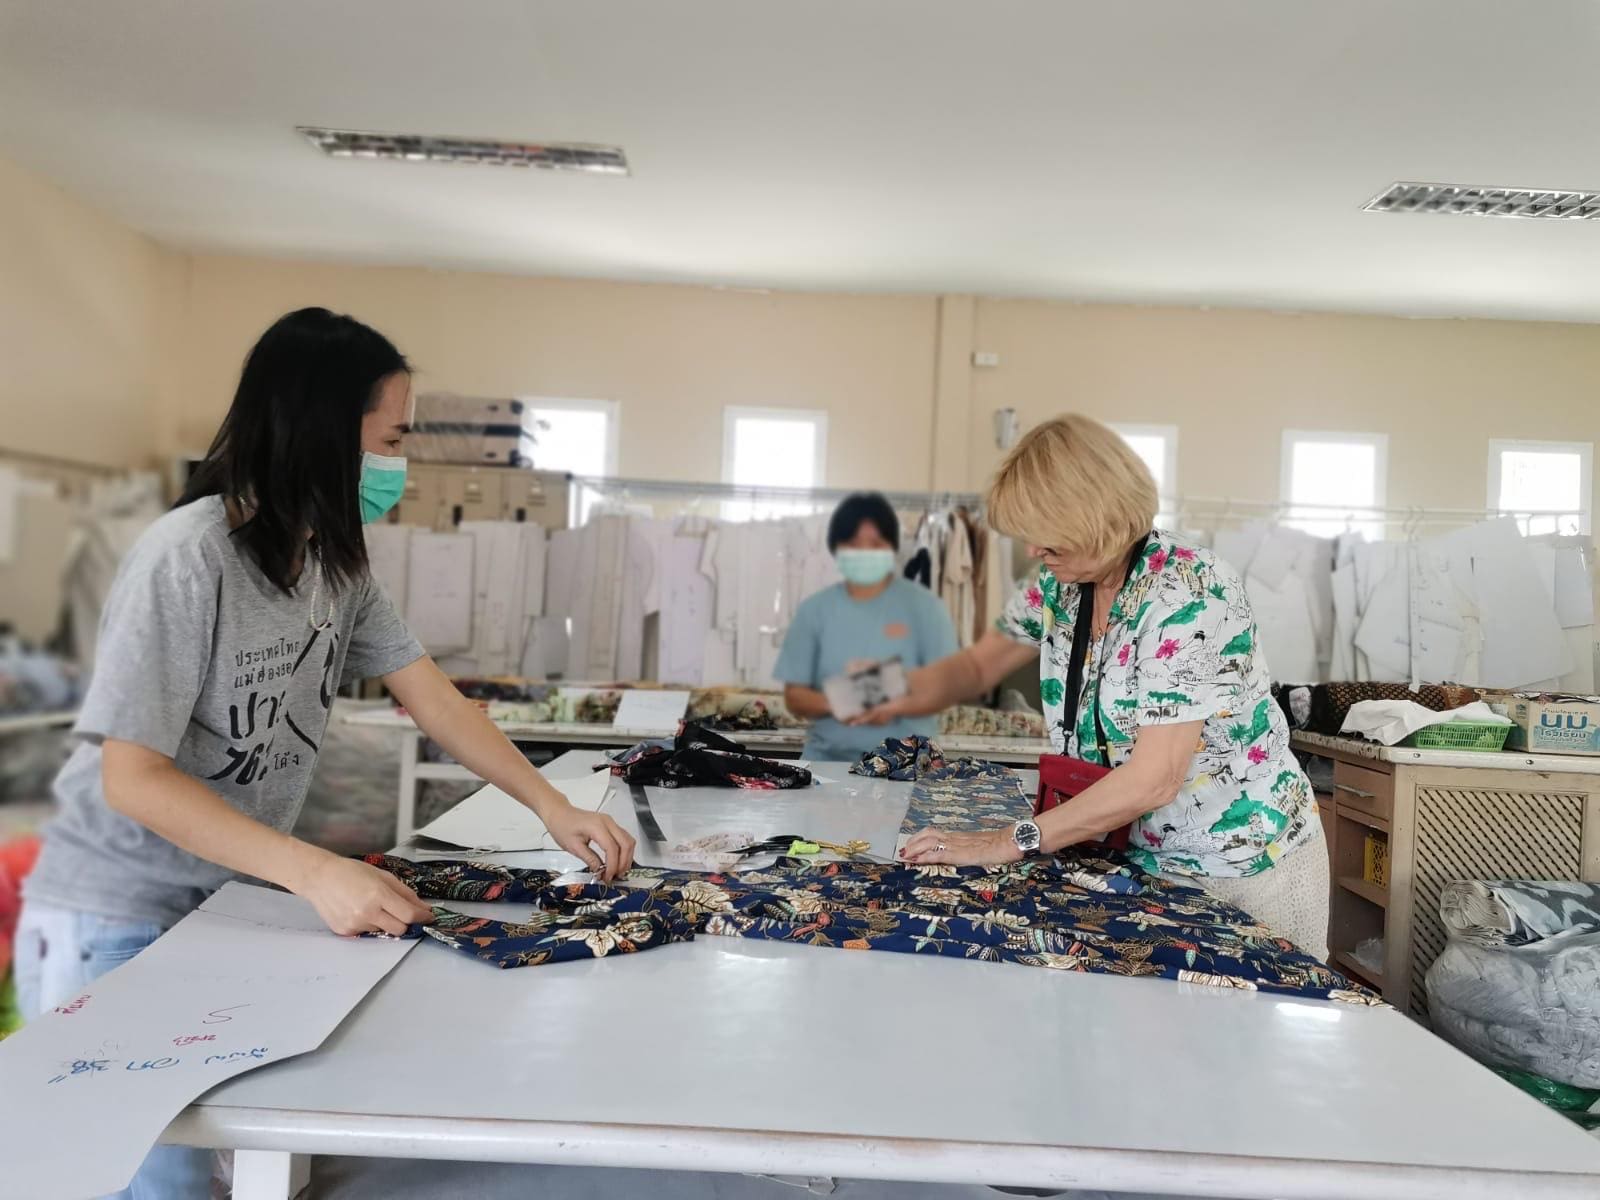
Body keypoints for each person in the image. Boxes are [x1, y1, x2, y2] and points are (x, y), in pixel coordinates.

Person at [14, 308, 635, 1199]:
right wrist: (314, 871)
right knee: (156, 1180)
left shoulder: (334, 563)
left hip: (222, 902)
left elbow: (433, 697)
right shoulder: (187, 558)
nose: (399, 464)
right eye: (393, 439)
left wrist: (552, 805)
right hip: (118, 912)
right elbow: (133, 778)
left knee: (240, 1157)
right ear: (322, 432)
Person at [889, 415, 1329, 960]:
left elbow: (1155, 778)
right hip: (1140, 857)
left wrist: (1006, 841)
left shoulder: (1189, 593)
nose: (1033, 549)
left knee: (1257, 1007)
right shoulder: (1060, 582)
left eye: (1046, 531)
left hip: (1243, 866)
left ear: (1095, 517)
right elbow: (980, 665)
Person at [774, 492, 959, 762]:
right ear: (836, 548)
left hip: (907, 767)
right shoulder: (814, 610)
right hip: (828, 763)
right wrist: (840, 703)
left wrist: (895, 706)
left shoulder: (925, 608)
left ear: (892, 547)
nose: (864, 552)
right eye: (853, 544)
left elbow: (946, 687)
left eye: (875, 543)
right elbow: (795, 696)